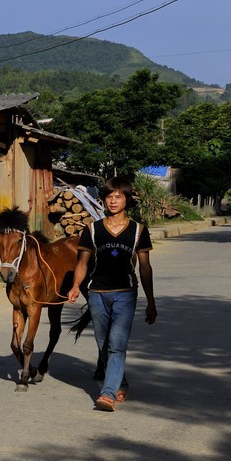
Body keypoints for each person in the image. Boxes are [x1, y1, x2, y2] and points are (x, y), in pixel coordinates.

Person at [66, 176, 156, 411]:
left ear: (127, 199)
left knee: (117, 344)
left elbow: (145, 267)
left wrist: (151, 302)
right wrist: (76, 286)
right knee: (103, 343)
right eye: (109, 196)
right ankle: (121, 382)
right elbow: (83, 263)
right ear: (103, 200)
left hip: (125, 294)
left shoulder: (138, 230)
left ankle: (108, 393)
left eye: (118, 196)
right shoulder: (92, 229)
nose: (113, 201)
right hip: (96, 293)